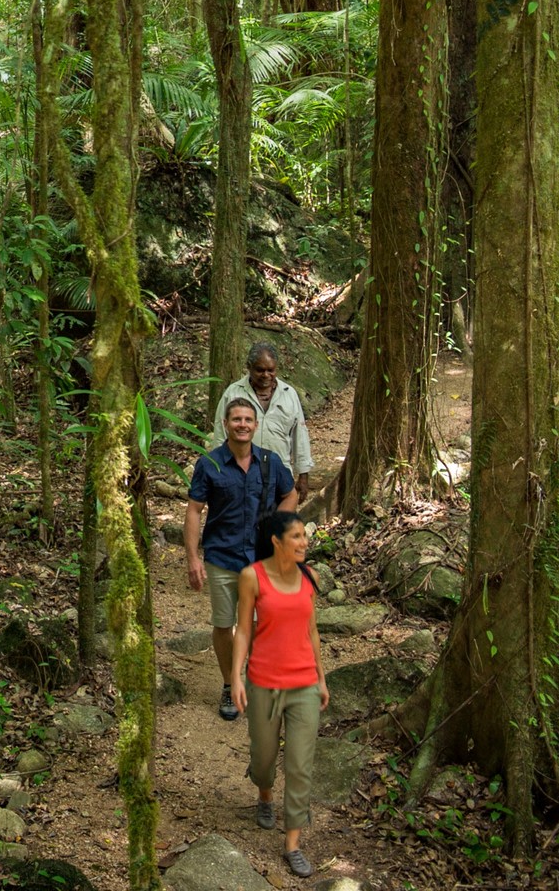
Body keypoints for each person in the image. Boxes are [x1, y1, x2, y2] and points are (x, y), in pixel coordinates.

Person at [184, 397, 298, 721]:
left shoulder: (270, 462)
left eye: (248, 419)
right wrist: (192, 558)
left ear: (255, 425)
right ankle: (229, 683)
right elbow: (194, 510)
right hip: (222, 556)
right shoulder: (209, 463)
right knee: (224, 624)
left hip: (262, 560)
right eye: (236, 419)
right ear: (226, 424)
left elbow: (290, 493)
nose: (243, 425)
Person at [231, 509, 328, 880]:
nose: (305, 542)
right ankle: (264, 793)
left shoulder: (310, 578)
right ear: (276, 541)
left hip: (303, 683)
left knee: (300, 764)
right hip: (264, 682)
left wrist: (321, 679)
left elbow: (313, 631)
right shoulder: (251, 577)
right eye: (297, 536)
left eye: (305, 535)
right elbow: (242, 630)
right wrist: (236, 678)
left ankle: (292, 842)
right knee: (263, 758)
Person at [210, 341, 314, 501]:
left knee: (278, 521)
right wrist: (219, 472)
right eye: (260, 370)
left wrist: (303, 475)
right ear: (249, 368)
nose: (266, 375)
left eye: (270, 370)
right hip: (240, 473)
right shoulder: (233, 393)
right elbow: (220, 434)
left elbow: (299, 434)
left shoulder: (289, 394)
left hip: (280, 474)